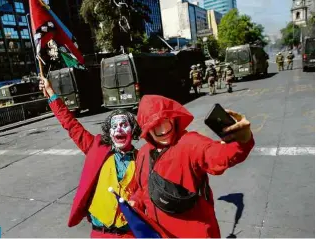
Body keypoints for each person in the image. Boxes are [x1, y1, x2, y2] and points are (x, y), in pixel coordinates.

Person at [129, 95, 255, 238]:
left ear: (173, 118)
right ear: (147, 131)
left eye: (166, 122)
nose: (164, 131)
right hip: (158, 234)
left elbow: (217, 155)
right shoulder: (144, 153)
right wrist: (136, 201)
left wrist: (242, 141)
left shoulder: (190, 143)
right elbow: (143, 187)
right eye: (155, 127)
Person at [39, 77, 141, 238]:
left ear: (133, 130)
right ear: (109, 132)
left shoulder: (142, 159)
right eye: (114, 126)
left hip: (129, 234)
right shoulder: (97, 148)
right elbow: (71, 125)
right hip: (99, 233)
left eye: (124, 125)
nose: (119, 129)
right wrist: (51, 93)